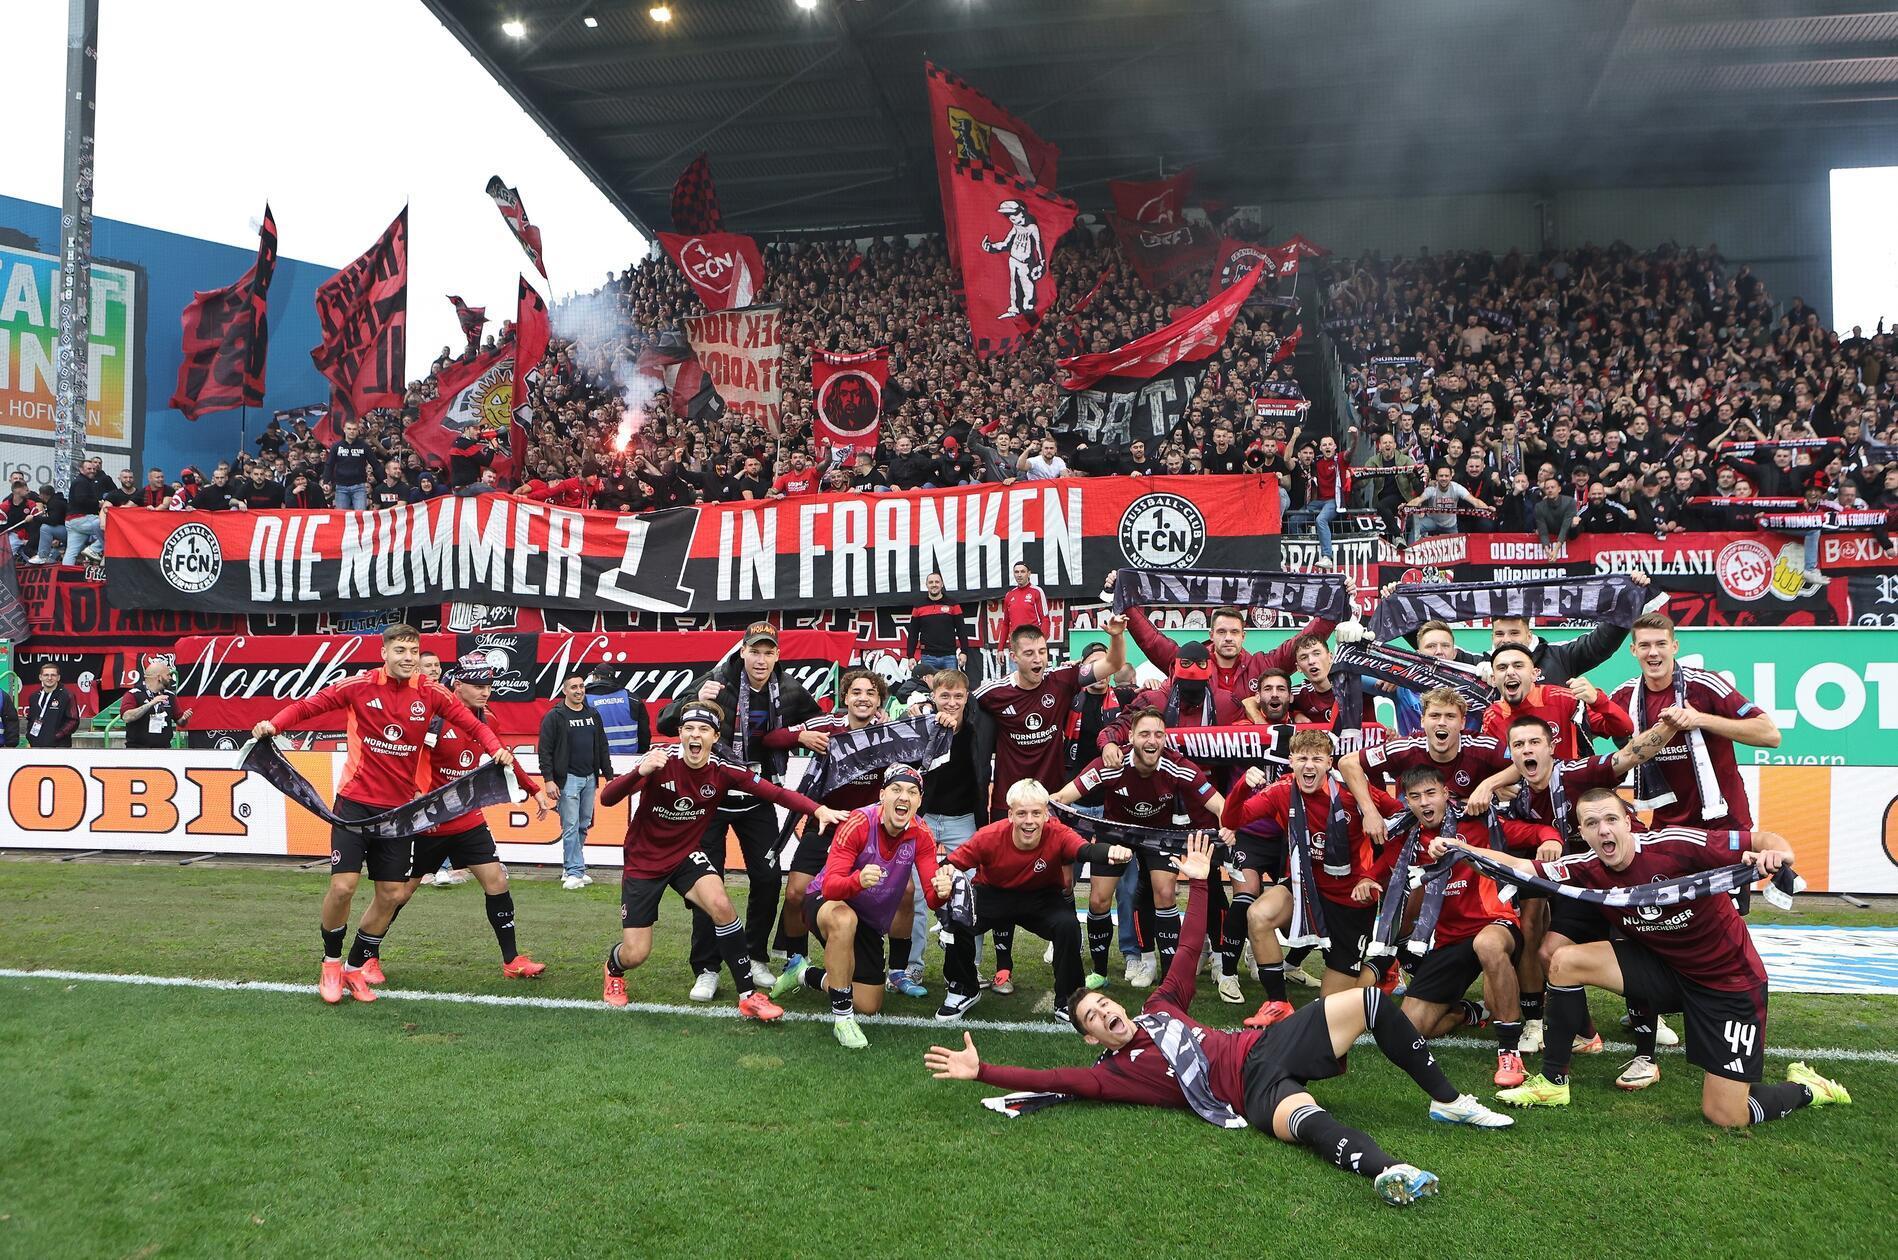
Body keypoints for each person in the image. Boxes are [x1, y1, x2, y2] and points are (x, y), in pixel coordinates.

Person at [924, 834, 1512, 1208]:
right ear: (1092, 1039)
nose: (1107, 1012)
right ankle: (1392, 1172)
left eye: (1104, 1004)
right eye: (1095, 1018)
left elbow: (1186, 948)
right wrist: (983, 1072)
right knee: (1309, 1126)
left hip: (1267, 1043)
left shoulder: (1159, 1008)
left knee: (1372, 1004)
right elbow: (1058, 1080)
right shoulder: (1116, 1074)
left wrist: (1200, 882)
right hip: (1254, 1092)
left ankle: (1446, 1099)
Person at [1440, 789, 1850, 1125]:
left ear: (1628, 821)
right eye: (1592, 824)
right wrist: (1461, 847)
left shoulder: (1675, 845)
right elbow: (1519, 866)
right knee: (1563, 960)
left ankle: (1807, 1087)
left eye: (1611, 819)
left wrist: (1779, 855)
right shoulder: (1586, 866)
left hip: (1727, 983)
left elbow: (1761, 840)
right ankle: (1553, 1080)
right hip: (1663, 971)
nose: (1604, 830)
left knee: (1726, 1114)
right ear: (1582, 831)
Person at [252, 624, 513, 1005]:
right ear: (385, 652)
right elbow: (312, 705)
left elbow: (474, 723)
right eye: (400, 650)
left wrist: (497, 749)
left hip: (399, 813)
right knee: (343, 887)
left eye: (413, 650)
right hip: (355, 805)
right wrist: (274, 723)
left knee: (390, 895)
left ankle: (355, 968)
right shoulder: (358, 686)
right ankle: (330, 964)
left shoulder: (432, 693)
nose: (408, 657)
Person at [599, 700, 844, 1022]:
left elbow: (776, 794)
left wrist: (817, 809)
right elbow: (607, 798)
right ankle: (613, 969)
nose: (695, 735)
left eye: (703, 729)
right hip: (644, 862)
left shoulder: (724, 770)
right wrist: (638, 771)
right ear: (680, 734)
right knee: (636, 953)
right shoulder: (660, 762)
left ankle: (748, 996)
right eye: (688, 729)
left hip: (686, 855)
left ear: (715, 737)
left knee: (721, 904)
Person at [1471, 712, 1682, 1065]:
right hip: (1582, 883)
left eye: (1535, 742)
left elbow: (1628, 755)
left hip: (1628, 877)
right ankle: (1586, 1033)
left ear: (1552, 747)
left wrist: (1671, 726)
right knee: (1549, 952)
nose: (1527, 750)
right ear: (1511, 755)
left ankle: (1647, 1038)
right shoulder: (1519, 799)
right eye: (1519, 745)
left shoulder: (1575, 773)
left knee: (1634, 950)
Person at [660, 623, 824, 1000]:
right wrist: (696, 697)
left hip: (757, 797)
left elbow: (823, 724)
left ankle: (755, 957)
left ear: (777, 655)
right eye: (755, 651)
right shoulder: (716, 679)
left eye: (768, 652)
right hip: (710, 798)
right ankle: (707, 967)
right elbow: (666, 722)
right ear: (743, 653)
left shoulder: (790, 690)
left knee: (767, 881)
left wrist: (803, 734)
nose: (761, 659)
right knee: (707, 883)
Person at [1389, 767, 1547, 1089]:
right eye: (1416, 797)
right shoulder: (1409, 841)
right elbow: (1399, 894)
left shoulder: (1476, 823)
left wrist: (1551, 842)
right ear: (1408, 803)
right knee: (1410, 1028)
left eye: (1431, 793)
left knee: (1487, 946)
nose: (1424, 802)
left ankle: (1509, 1051)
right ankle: (1466, 1012)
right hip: (1449, 940)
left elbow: (1534, 833)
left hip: (1494, 924)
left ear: (1446, 794)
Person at [1053, 706, 1228, 991]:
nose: (1152, 740)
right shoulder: (1110, 763)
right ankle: (1099, 972)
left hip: (1158, 835)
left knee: (1165, 892)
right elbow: (1065, 795)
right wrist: (1044, 804)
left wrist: (1229, 824)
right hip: (1115, 831)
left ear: (1165, 738)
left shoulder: (1177, 765)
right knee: (1098, 900)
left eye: (1159, 734)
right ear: (1131, 737)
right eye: (1145, 734)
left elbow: (1218, 803)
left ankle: (1169, 975)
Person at [773, 766, 949, 1048]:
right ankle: (842, 1020)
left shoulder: (922, 834)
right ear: (882, 795)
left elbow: (930, 897)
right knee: (844, 919)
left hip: (868, 918)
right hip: (825, 902)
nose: (904, 797)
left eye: (912, 793)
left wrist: (942, 892)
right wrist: (858, 880)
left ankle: (804, 973)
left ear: (919, 802)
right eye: (896, 790)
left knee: (869, 1003)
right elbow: (830, 886)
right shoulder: (858, 821)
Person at [404, 657, 556, 977]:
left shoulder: (488, 720)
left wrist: (535, 790)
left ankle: (512, 960)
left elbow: (504, 760)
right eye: (477, 686)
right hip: (428, 822)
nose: (485, 692)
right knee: (399, 892)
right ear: (457, 687)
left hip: (467, 818)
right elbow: (411, 762)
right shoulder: (433, 719)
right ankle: (368, 956)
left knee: (496, 880)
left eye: (488, 686)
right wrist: (415, 795)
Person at [1222, 731, 1400, 996]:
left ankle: (1382, 965)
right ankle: (1277, 1004)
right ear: (1291, 761)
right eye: (1302, 758)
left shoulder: (1352, 792)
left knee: (1332, 1005)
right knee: (1258, 915)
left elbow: (1406, 828)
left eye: (1317, 759)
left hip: (1350, 900)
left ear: (1330, 763)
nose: (1309, 765)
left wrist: (1372, 875)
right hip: (1305, 891)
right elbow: (1232, 819)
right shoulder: (1282, 790)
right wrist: (1242, 787)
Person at [935, 780, 1129, 1021]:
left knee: (1067, 925)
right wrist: (944, 877)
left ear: (1046, 814)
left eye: (1036, 813)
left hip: (1041, 897)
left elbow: (1084, 851)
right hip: (994, 894)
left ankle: (1069, 1000)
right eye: (1022, 813)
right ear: (1010, 815)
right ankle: (963, 989)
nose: (1029, 821)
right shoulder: (989, 836)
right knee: (957, 915)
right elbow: (949, 864)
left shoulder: (1058, 833)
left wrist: (1111, 852)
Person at [1608, 612, 1780, 830]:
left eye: (1661, 644)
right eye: (1644, 645)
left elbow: (1770, 735)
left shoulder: (1704, 684)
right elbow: (1586, 736)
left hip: (1723, 820)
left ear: (1674, 647)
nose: (1653, 652)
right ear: (1634, 650)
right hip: (1668, 827)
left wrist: (1700, 719)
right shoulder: (1624, 696)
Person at [778, 669, 890, 981]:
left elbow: (924, 749)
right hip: (824, 825)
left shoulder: (888, 735)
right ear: (846, 698)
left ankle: (895, 969)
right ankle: (796, 959)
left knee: (885, 895)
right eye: (856, 692)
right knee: (795, 894)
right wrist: (800, 736)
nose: (863, 698)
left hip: (867, 833)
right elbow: (772, 737)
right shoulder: (827, 726)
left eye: (870, 693)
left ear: (880, 700)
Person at [1111, 575, 1342, 725]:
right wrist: (1121, 593)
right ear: (1211, 635)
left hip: (1246, 765)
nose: (1228, 638)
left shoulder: (1263, 666)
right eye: (1221, 632)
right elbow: (1151, 641)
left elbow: (1302, 642)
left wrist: (1335, 603)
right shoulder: (1188, 664)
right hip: (1200, 763)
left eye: (1234, 632)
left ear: (1244, 636)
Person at [1481, 642, 1631, 758]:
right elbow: (1492, 763)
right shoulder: (1493, 716)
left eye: (1518, 666)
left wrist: (1598, 700)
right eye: (1502, 668)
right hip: (1523, 794)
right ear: (1493, 679)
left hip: (1570, 791)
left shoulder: (1565, 700)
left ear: (1535, 674)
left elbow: (1624, 729)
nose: (1510, 672)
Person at [539, 674, 615, 891]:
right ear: (565, 691)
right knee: (570, 825)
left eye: (581, 686)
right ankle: (575, 870)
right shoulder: (554, 717)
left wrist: (608, 776)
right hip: (567, 779)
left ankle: (570, 867)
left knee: (582, 824)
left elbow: (602, 745)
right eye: (574, 687)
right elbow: (545, 750)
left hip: (590, 777)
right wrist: (549, 780)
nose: (579, 690)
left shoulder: (593, 714)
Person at [908, 572, 970, 678]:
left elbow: (961, 630)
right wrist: (910, 656)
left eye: (937, 582)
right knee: (928, 690)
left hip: (949, 656)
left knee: (951, 688)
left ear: (942, 584)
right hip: (927, 657)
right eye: (931, 582)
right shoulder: (918, 606)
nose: (934, 585)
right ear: (926, 585)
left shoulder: (953, 604)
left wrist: (964, 652)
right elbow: (913, 633)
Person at [121, 657, 192, 749]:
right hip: (137, 750)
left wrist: (184, 718)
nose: (170, 677)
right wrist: (150, 704)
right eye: (168, 675)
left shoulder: (170, 696)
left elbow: (180, 722)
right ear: (159, 677)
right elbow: (126, 717)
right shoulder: (134, 694)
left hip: (163, 749)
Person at [586, 662, 652, 759]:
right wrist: (639, 756)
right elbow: (644, 734)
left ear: (597, 677)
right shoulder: (631, 698)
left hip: (596, 761)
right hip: (629, 760)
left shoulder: (584, 700)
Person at [25, 664, 80, 749]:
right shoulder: (34, 697)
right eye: (46, 675)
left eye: (53, 675)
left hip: (59, 747)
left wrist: (56, 736)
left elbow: (73, 721)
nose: (49, 678)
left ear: (58, 677)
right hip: (36, 746)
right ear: (40, 677)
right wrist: (30, 738)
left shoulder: (67, 696)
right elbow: (31, 719)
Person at [326, 418, 373, 511]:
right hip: (341, 487)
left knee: (360, 516)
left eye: (354, 429)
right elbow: (329, 464)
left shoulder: (364, 446)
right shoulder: (336, 446)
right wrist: (325, 481)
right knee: (342, 517)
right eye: (349, 429)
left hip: (359, 486)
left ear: (358, 431)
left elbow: (375, 463)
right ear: (344, 429)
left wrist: (383, 478)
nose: (352, 431)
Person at [1000, 562, 1051, 639]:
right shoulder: (1009, 595)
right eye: (1016, 572)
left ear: (1029, 573)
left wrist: (1041, 641)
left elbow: (1045, 619)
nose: (1019, 575)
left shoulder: (1037, 591)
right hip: (1016, 644)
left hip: (1032, 642)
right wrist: (1000, 649)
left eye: (1022, 571)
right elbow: (1005, 624)